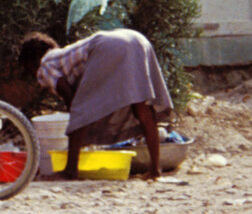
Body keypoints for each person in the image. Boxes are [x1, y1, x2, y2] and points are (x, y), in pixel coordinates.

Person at [18, 29, 172, 180]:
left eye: (29, 70)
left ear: (31, 64)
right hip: (137, 39)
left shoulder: (44, 65)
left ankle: (70, 171)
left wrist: (77, 126)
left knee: (79, 110)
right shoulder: (62, 55)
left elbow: (69, 95)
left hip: (107, 46)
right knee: (142, 107)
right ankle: (155, 170)